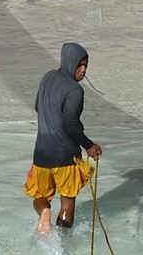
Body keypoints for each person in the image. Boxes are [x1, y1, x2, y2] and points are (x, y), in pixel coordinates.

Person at [26, 40, 102, 234]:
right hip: (66, 158)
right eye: (79, 64)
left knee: (40, 198)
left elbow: (37, 107)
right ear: (69, 62)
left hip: (41, 156)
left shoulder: (47, 77)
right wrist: (89, 145)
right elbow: (70, 125)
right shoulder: (75, 90)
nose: (83, 69)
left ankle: (44, 213)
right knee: (67, 207)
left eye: (86, 64)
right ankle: (63, 242)